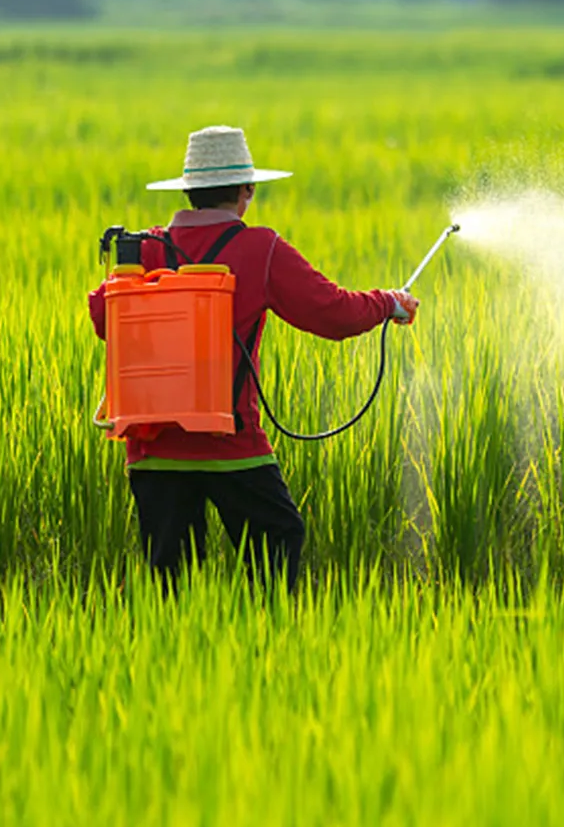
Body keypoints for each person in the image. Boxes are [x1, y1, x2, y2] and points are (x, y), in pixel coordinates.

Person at [89, 124, 419, 592]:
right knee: (279, 539)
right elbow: (332, 313)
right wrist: (388, 303)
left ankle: (172, 660)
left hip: (153, 446)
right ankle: (264, 646)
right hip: (229, 443)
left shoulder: (144, 248)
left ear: (189, 192)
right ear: (248, 191)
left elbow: (104, 315)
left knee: (169, 583)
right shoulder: (260, 248)